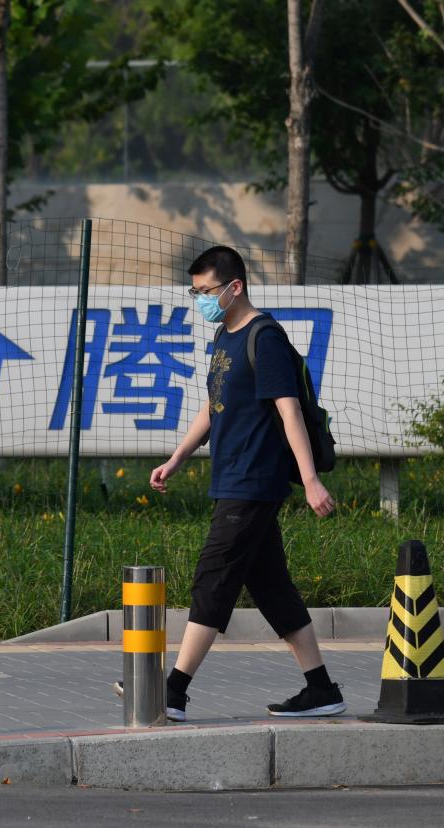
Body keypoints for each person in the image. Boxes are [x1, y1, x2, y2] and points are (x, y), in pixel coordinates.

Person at [149, 244, 343, 721]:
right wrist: (177, 457)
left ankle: (173, 691)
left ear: (235, 287)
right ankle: (321, 689)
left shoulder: (265, 337)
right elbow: (213, 406)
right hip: (232, 477)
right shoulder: (225, 336)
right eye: (195, 293)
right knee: (272, 587)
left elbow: (289, 411)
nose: (200, 300)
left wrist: (310, 480)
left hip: (254, 481)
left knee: (213, 579)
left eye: (206, 291)